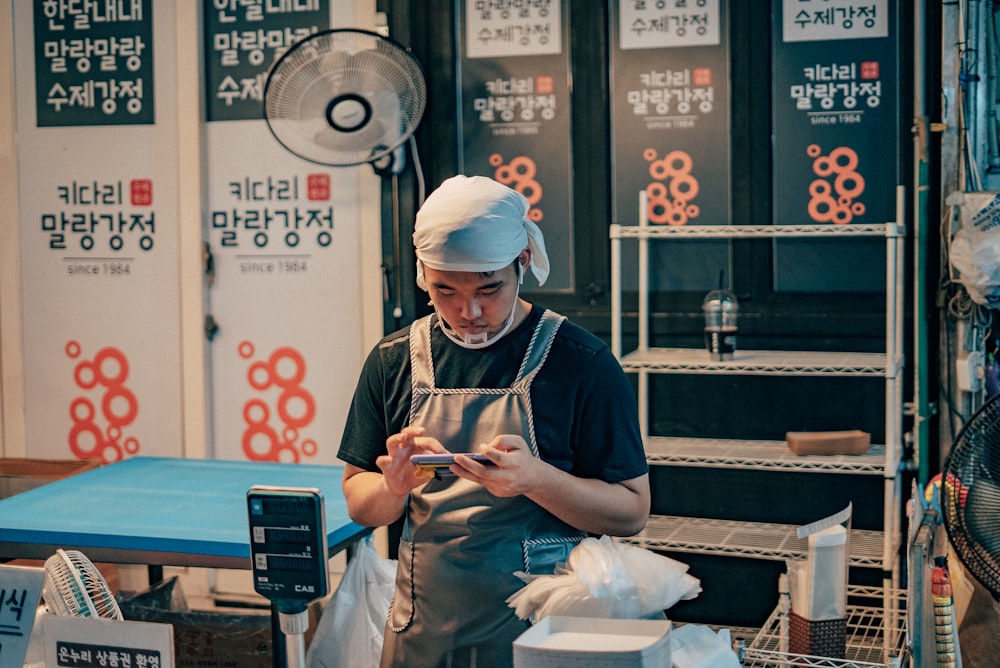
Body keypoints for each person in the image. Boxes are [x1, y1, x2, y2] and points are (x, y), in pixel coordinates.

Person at [337, 174, 650, 668]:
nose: (470, 311)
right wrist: (393, 488)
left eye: (489, 288)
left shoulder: (580, 363)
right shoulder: (394, 360)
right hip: (425, 630)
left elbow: (632, 512)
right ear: (423, 273)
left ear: (521, 262)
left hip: (546, 635)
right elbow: (360, 502)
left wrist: (535, 479)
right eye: (445, 292)